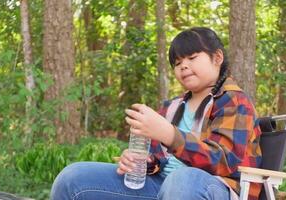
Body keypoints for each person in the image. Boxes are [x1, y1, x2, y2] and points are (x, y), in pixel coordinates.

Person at [51, 27, 262, 200]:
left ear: (217, 58)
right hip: (160, 187)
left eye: (192, 57)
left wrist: (170, 135)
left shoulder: (234, 101)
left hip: (216, 189)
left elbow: (222, 161)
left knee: (182, 181)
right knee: (73, 178)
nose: (184, 66)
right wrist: (139, 161)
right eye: (177, 63)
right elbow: (157, 159)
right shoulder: (172, 107)